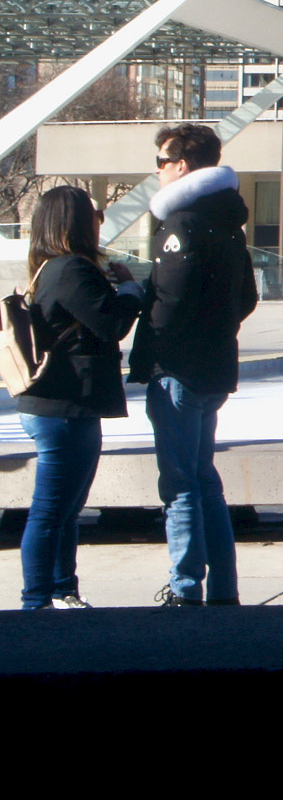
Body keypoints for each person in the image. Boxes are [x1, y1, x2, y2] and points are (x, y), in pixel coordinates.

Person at [129, 122, 258, 609]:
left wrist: (156, 338)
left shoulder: (181, 224)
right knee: (204, 478)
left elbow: (171, 300)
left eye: (161, 162)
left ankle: (186, 588)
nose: (158, 172)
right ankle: (223, 588)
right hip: (215, 367)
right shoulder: (227, 223)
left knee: (180, 482)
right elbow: (246, 297)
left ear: (182, 166)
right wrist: (216, 329)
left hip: (179, 370)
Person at [17, 185, 145, 610]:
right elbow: (110, 324)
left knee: (66, 509)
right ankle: (37, 601)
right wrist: (130, 291)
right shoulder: (71, 268)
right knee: (51, 510)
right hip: (64, 405)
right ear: (73, 220)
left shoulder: (51, 267)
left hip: (63, 403)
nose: (100, 220)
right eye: (95, 213)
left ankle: (61, 591)